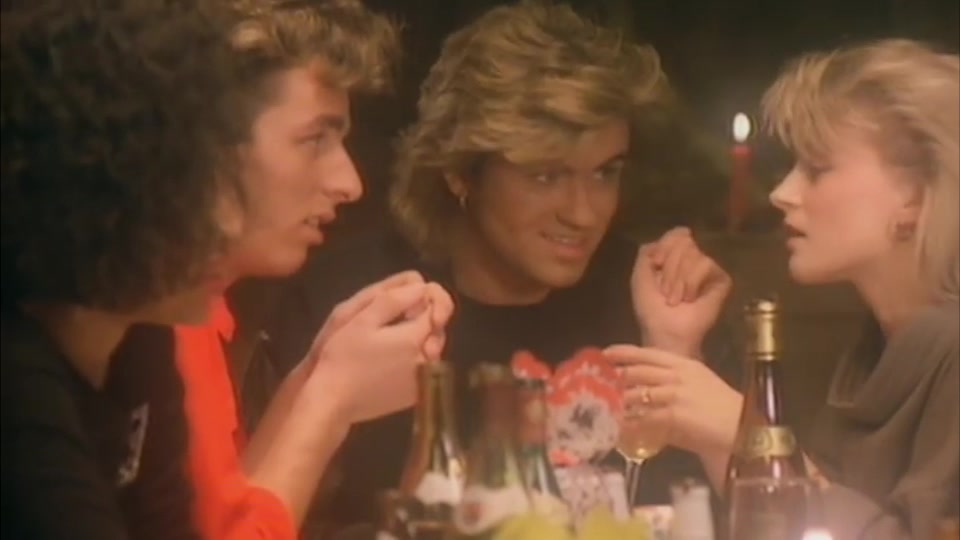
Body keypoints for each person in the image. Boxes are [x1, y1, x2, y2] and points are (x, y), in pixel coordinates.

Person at [262, 2, 738, 534]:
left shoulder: (652, 300)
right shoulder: (354, 305)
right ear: (460, 173)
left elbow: (732, 516)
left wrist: (677, 353)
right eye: (546, 176)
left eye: (605, 173)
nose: (583, 213)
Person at [105, 1, 455, 539]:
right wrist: (330, 401)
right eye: (315, 139)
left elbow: (224, 518)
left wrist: (317, 372)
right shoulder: (146, 315)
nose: (350, 183)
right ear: (208, 146)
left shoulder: (198, 305)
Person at [606, 39, 960, 539]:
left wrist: (748, 432)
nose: (781, 193)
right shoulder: (877, 350)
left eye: (818, 169)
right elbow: (784, 526)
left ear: (914, 196)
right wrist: (678, 349)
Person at [0, 1, 247, 537]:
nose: (230, 222)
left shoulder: (141, 339)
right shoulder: (15, 374)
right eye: (188, 183)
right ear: (95, 189)